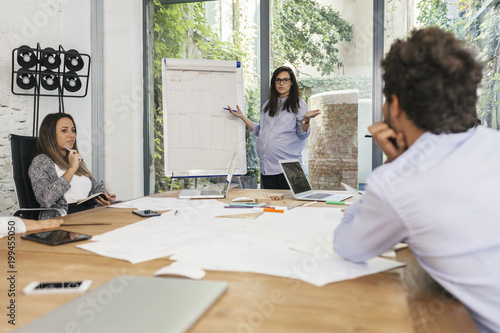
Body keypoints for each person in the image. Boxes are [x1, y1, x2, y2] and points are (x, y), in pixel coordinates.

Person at [333, 27, 500, 333]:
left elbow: (349, 247)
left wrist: (395, 167)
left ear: (394, 107)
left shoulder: (395, 183)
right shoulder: (493, 143)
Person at [228, 66, 320, 189]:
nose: (281, 83)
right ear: (274, 83)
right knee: (271, 205)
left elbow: (303, 134)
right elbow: (260, 131)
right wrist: (242, 117)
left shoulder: (299, 104)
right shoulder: (267, 105)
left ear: (292, 82)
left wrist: (305, 119)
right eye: (278, 80)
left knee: (294, 206)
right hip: (267, 167)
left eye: (285, 80)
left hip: (290, 168)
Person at [28, 113, 116, 220]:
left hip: (88, 216)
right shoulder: (42, 161)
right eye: (64, 130)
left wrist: (106, 198)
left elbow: (95, 188)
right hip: (61, 221)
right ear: (50, 135)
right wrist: (72, 169)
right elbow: (45, 198)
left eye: (73, 130)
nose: (72, 135)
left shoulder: (74, 158)